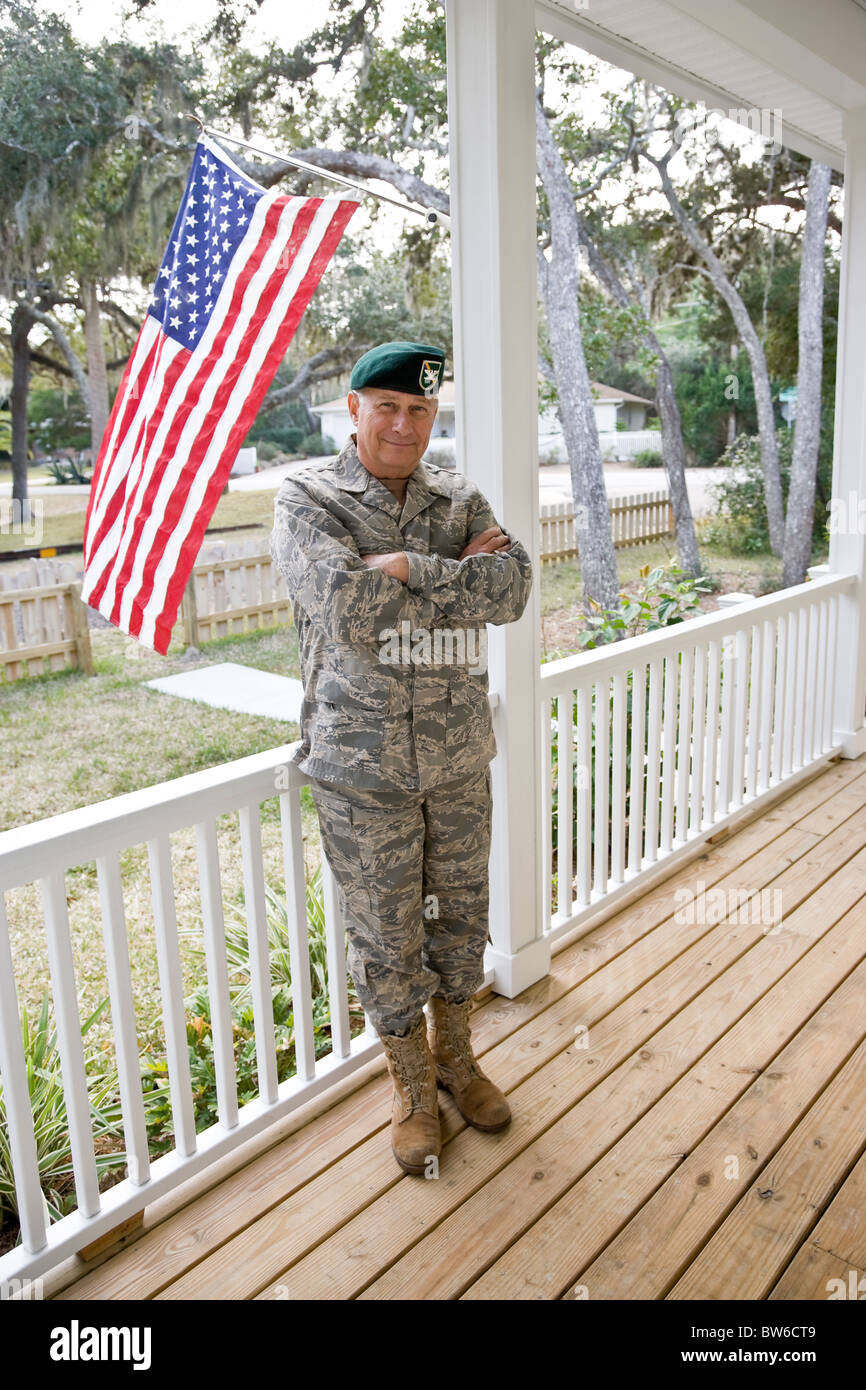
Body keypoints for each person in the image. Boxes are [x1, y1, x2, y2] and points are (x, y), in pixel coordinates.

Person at [269, 340, 533, 1175]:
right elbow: (348, 610)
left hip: (456, 755)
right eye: (386, 405)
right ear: (352, 409)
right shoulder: (307, 499)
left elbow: (515, 590)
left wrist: (411, 566)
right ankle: (414, 1091)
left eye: (419, 409)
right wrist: (457, 575)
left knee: (460, 920)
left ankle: (458, 1060)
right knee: (386, 937)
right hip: (363, 769)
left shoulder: (455, 493)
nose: (404, 423)